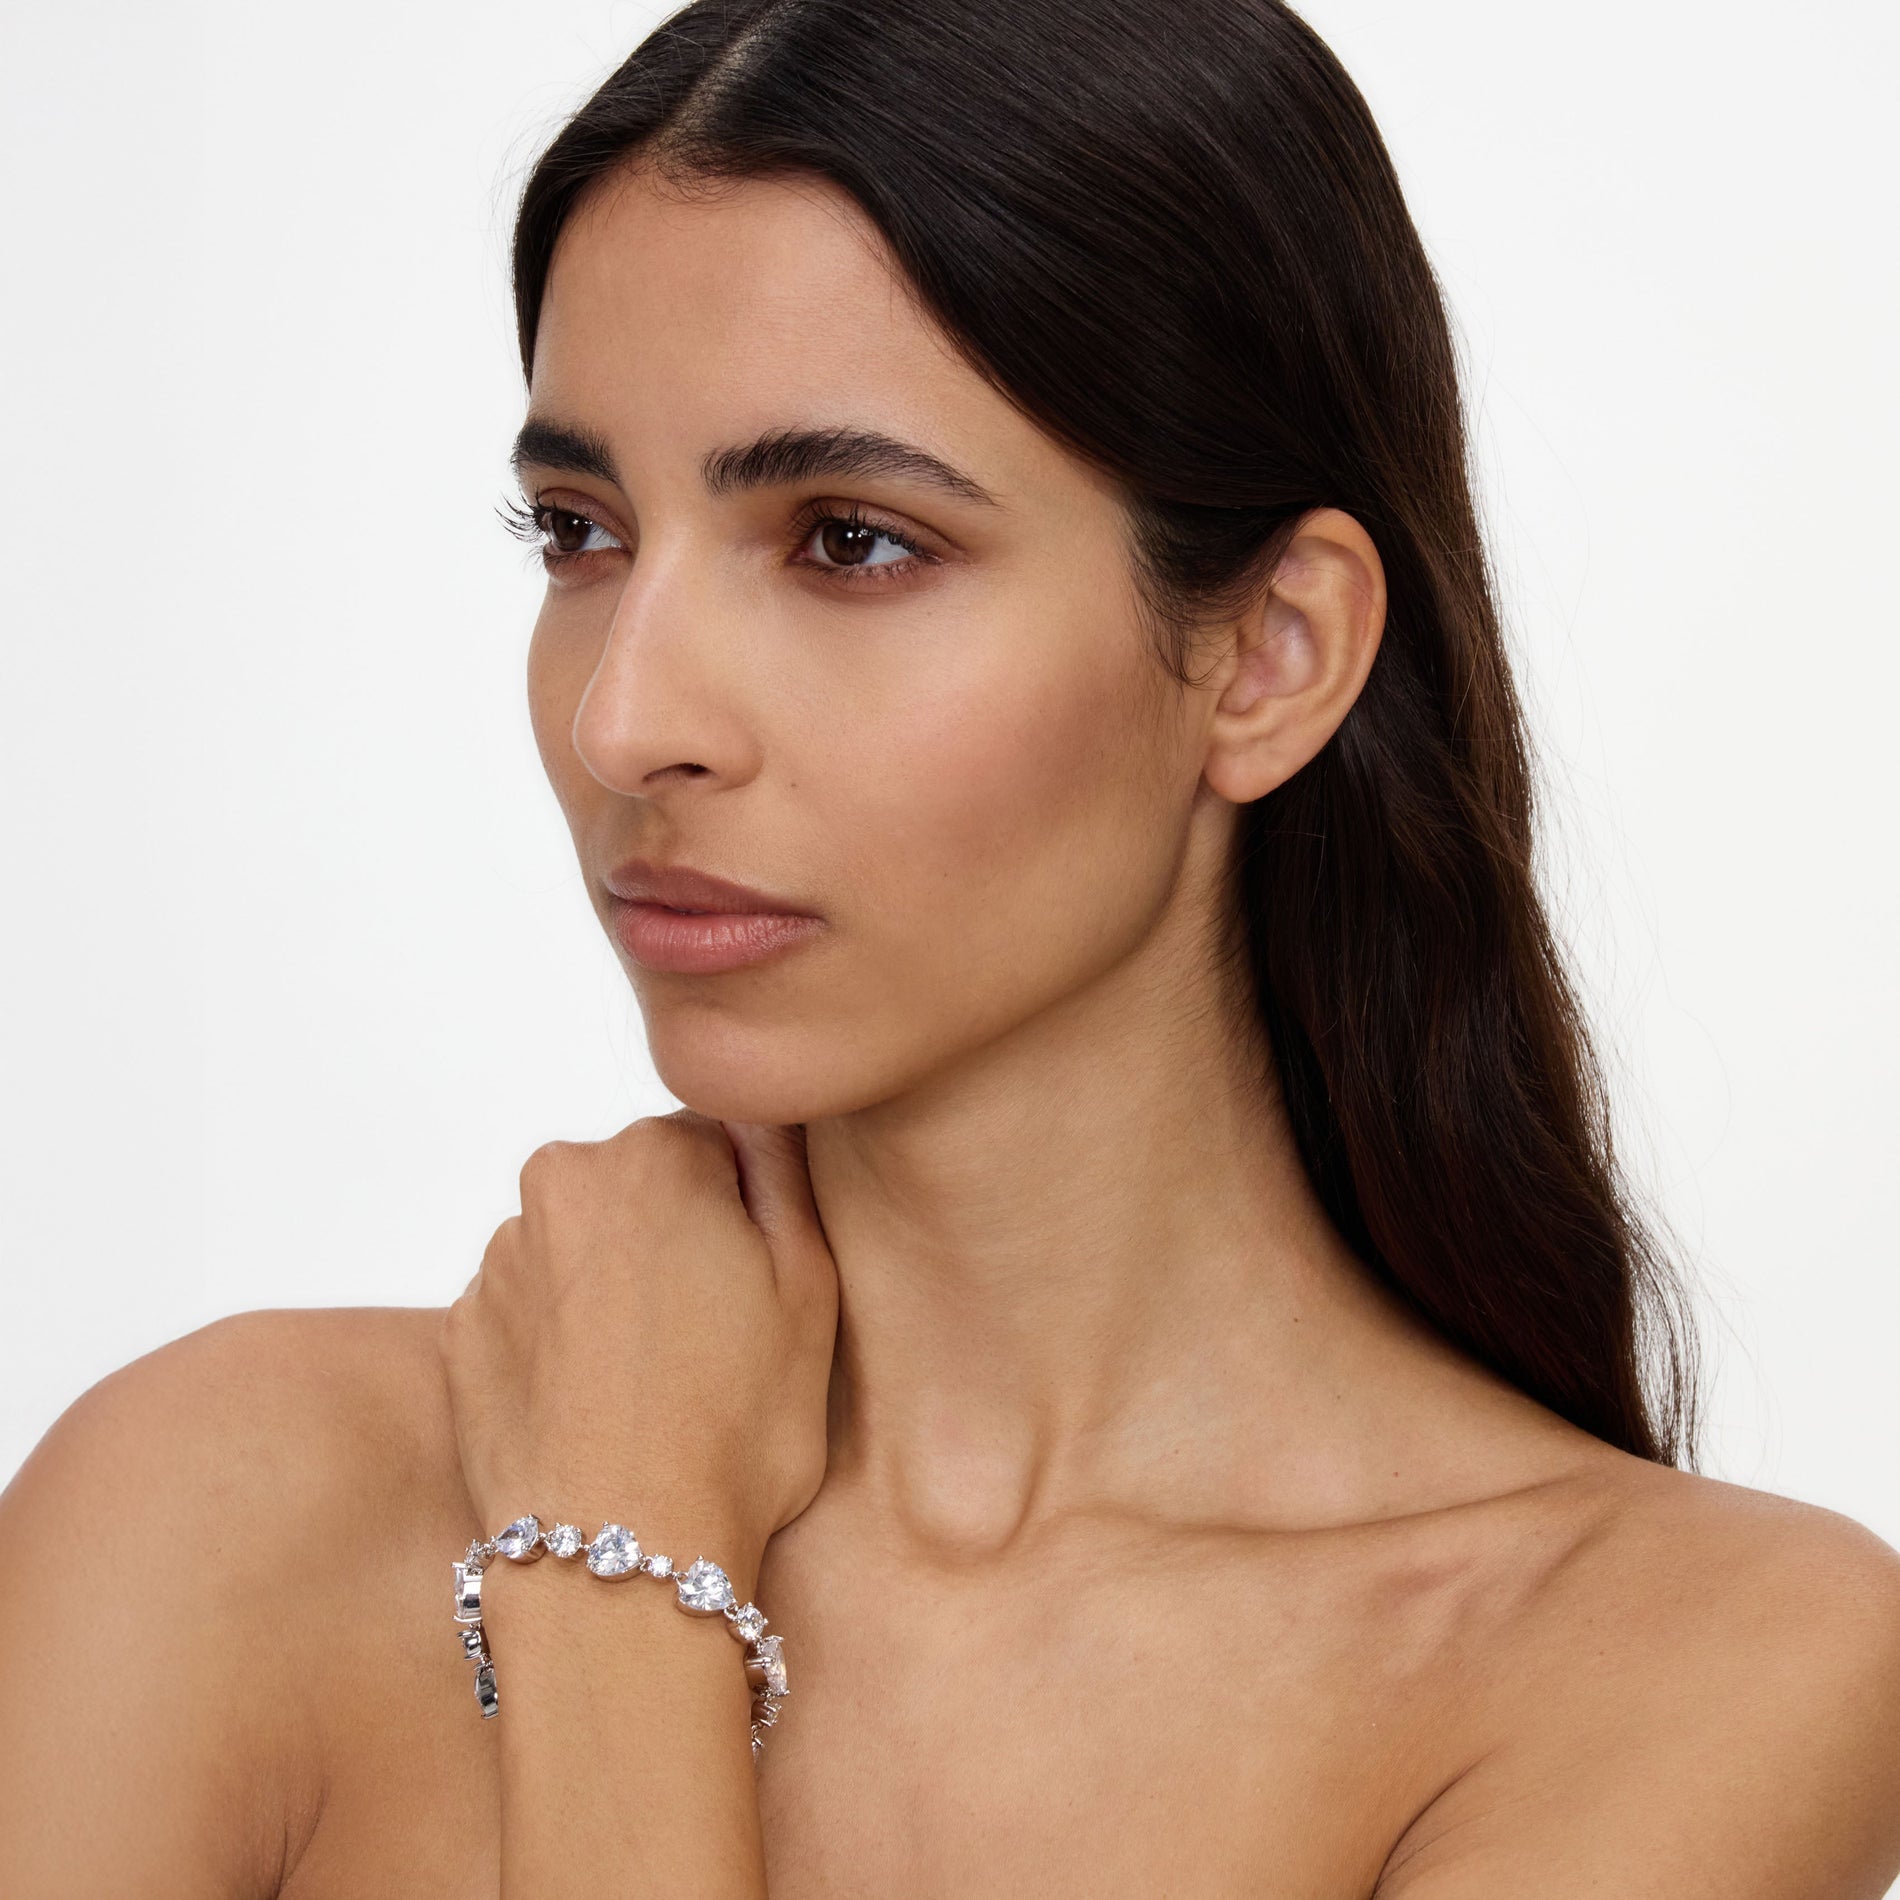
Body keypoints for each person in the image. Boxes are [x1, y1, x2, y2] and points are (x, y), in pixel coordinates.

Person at [3, 0, 1898, 1891]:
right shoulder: (209, 1515)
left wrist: (613, 1579)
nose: (627, 719)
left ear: (1270, 654)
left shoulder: (1689, 1668)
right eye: (580, 531)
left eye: (850, 542)